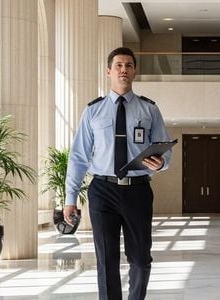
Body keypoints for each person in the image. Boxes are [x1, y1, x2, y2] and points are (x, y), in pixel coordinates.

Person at [64, 47, 172, 300]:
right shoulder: (93, 111)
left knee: (141, 259)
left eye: (129, 66)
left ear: (135, 72)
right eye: (119, 65)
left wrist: (162, 163)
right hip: (103, 190)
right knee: (107, 261)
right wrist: (70, 199)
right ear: (109, 71)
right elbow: (79, 156)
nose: (124, 70)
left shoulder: (149, 110)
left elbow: (164, 149)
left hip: (138, 190)